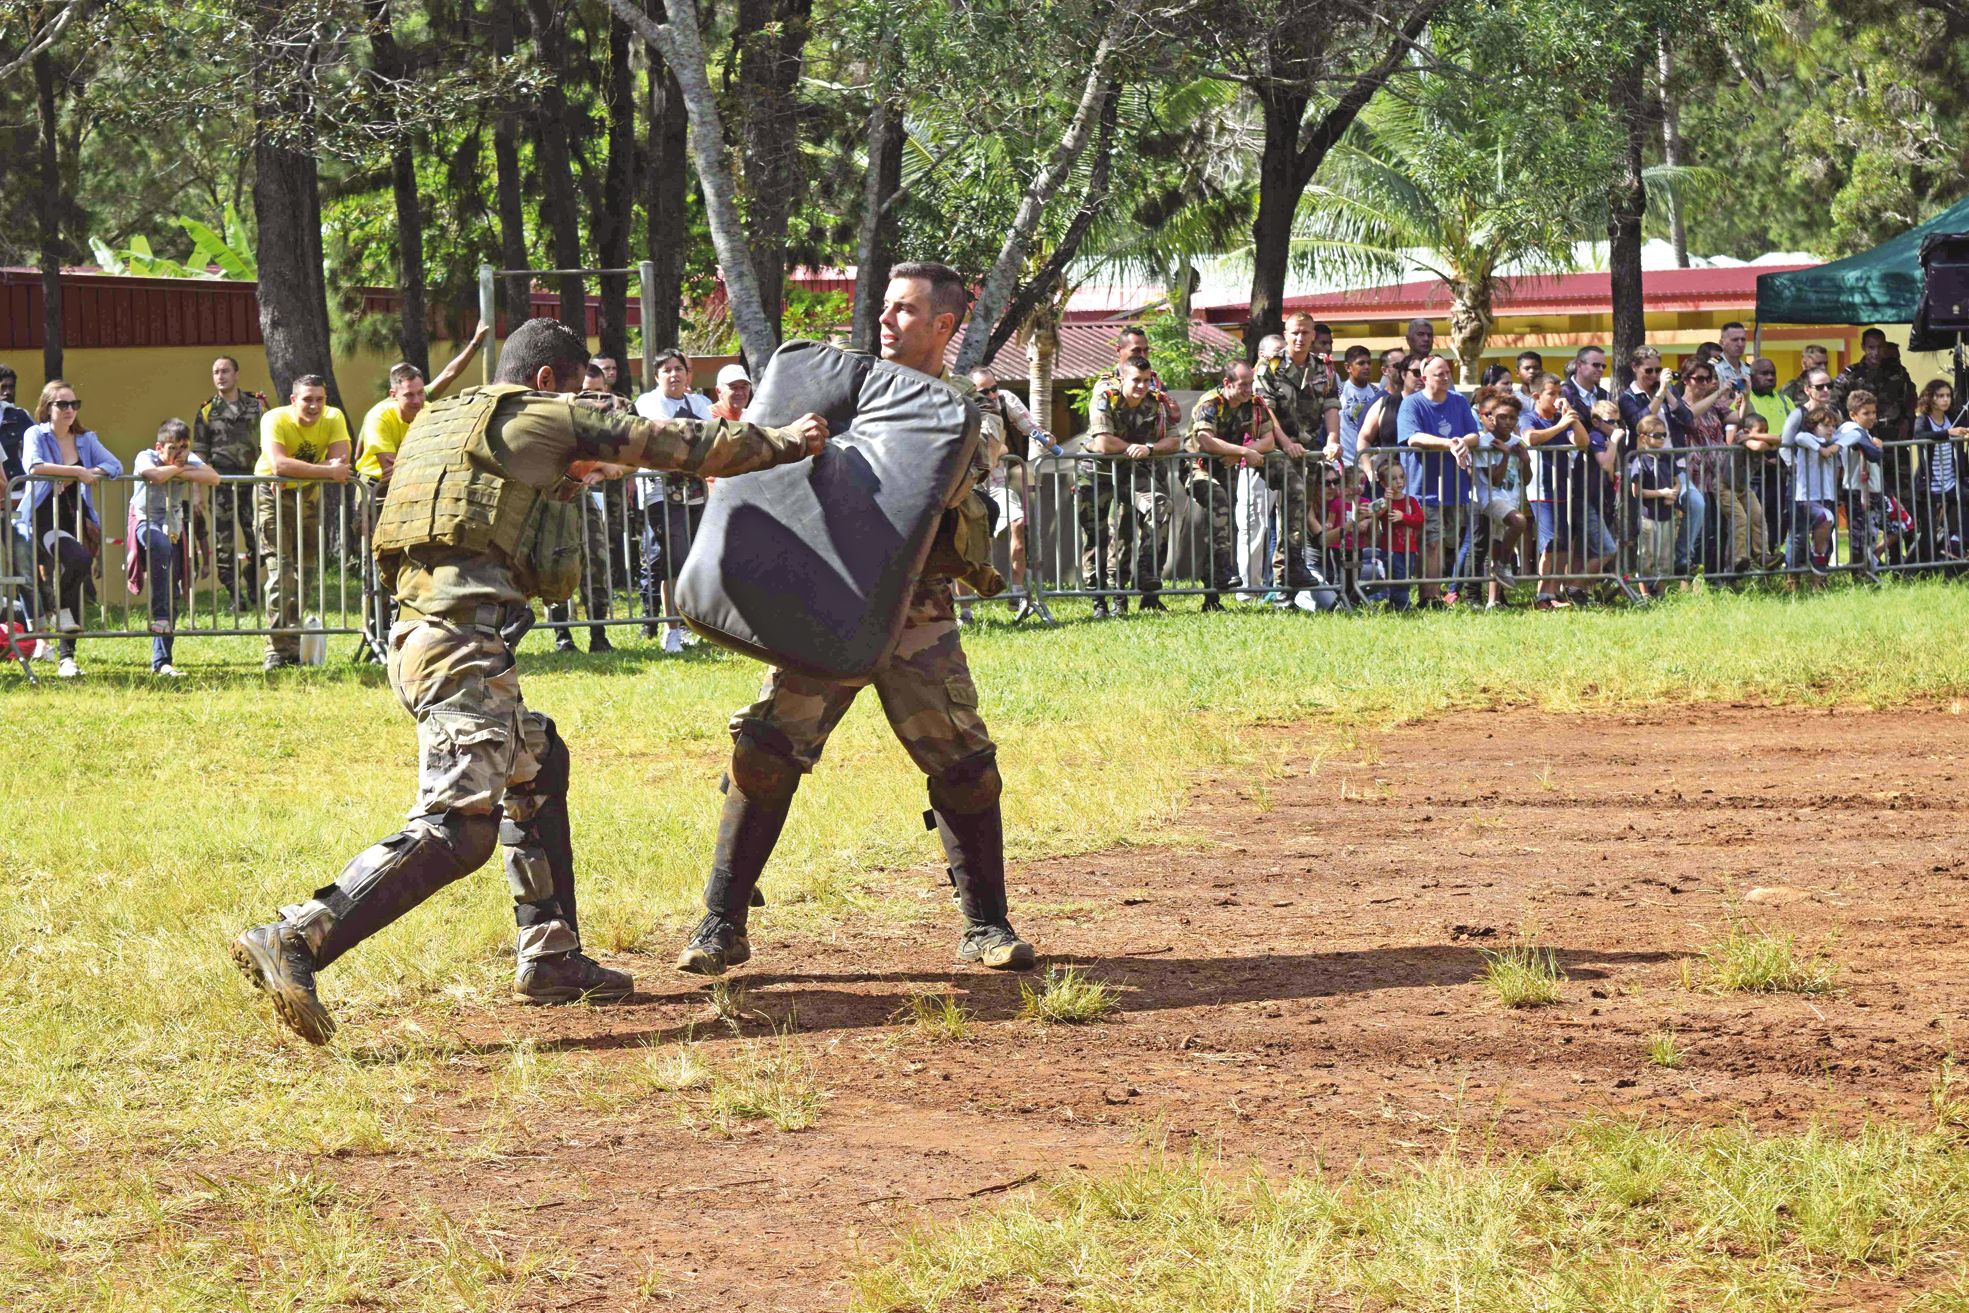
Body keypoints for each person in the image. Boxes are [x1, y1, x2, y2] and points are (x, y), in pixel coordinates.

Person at [230, 317, 828, 1043]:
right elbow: (682, 445)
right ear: (549, 382)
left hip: (429, 632)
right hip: (455, 642)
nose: (584, 418)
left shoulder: (452, 418)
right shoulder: (543, 412)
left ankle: (550, 956)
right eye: (581, 395)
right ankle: (296, 935)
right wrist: (790, 441)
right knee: (459, 826)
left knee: (538, 759)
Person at [673, 261, 1037, 978]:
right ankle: (721, 919)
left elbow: (963, 471)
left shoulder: (972, 408)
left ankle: (986, 925)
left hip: (916, 605)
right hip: (833, 587)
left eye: (905, 310)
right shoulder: (835, 391)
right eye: (886, 307)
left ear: (944, 325)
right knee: (767, 747)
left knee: (963, 763)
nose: (886, 319)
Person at [15, 380, 121, 677]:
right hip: (44, 517)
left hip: (77, 517)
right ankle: (59, 613)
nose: (70, 410)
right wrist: (75, 470)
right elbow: (33, 467)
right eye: (63, 404)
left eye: (74, 404)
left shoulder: (86, 439)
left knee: (75, 569)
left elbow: (113, 466)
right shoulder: (35, 433)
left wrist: (85, 474)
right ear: (47, 407)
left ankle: (67, 657)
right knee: (78, 560)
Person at [255, 375, 352, 670]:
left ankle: (294, 644)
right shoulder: (275, 418)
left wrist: (300, 473)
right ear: (293, 400)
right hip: (271, 494)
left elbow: (343, 466)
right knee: (281, 573)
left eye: (319, 399)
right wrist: (323, 469)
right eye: (307, 399)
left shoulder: (333, 417)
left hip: (307, 496)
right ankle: (276, 648)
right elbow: (279, 465)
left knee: (305, 575)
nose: (314, 406)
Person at [1081, 356, 1178, 615]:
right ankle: (1099, 600)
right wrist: (1132, 448)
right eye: (1136, 380)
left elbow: (1174, 442)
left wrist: (1148, 449)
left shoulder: (1155, 401)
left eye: (1146, 380)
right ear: (1122, 378)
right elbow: (1103, 443)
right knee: (1096, 536)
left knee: (1160, 504)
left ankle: (1146, 574)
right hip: (1096, 471)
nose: (1141, 386)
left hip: (1130, 470)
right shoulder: (1106, 396)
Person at [1254, 313, 1342, 599]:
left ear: (1313, 334)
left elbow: (1331, 406)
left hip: (1308, 452)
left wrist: (1332, 439)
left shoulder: (1323, 369)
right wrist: (1284, 443)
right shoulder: (1270, 367)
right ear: (1285, 333)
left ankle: (1286, 587)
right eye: (1294, 333)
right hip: (1275, 450)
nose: (1300, 338)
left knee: (1299, 510)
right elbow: (1265, 411)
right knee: (1294, 495)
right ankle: (1290, 568)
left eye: (1305, 332)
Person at [1187, 360, 1281, 611]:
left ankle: (1212, 595)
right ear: (1227, 384)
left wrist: (1243, 452)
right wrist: (1244, 452)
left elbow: (1269, 440)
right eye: (1243, 384)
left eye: (1251, 383)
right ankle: (1226, 571)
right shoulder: (1210, 403)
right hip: (1197, 468)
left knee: (1221, 523)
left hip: (1226, 469)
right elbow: (1206, 441)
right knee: (1220, 507)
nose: (1249, 389)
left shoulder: (1253, 404)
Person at [129, 418, 219, 676]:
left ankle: (162, 661)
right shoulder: (145, 455)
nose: (179, 454)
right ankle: (159, 614)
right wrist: (181, 470)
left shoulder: (186, 459)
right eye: (172, 448)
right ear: (159, 447)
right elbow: (154, 475)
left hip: (173, 526)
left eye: (184, 447)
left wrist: (177, 468)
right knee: (158, 544)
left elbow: (213, 477)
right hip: (145, 521)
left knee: (174, 590)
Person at [635, 348, 711, 652]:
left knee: (696, 559)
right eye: (666, 369)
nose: (674, 374)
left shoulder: (700, 403)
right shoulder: (647, 402)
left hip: (696, 490)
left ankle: (697, 625)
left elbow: (710, 437)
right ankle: (672, 630)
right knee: (674, 560)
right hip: (660, 492)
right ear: (657, 375)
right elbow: (661, 440)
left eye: (679, 368)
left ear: (687, 374)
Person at [970, 367, 1057, 620]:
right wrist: (998, 448)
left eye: (994, 387)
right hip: (968, 485)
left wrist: (1045, 438)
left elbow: (1030, 427)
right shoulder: (963, 406)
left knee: (1019, 523)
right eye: (985, 391)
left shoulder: (1006, 400)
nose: (992, 395)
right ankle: (964, 610)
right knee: (964, 544)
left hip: (995, 483)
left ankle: (1017, 595)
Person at [194, 356, 268, 610]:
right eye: (215, 372)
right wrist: (196, 492)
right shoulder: (206, 410)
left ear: (236, 374)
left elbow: (270, 441)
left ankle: (252, 578)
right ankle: (235, 595)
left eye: (225, 371)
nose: (220, 376)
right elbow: (199, 454)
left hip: (254, 482)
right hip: (221, 484)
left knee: (259, 538)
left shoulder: (257, 406)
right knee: (223, 545)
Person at [1520, 371, 1586, 610]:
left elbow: (1583, 442)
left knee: (1563, 544)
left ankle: (1554, 591)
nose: (1557, 398)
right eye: (1552, 394)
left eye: (1560, 393)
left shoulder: (1561, 418)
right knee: (1549, 544)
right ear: (1537, 396)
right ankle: (1542, 595)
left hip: (1563, 489)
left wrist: (1571, 418)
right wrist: (1560, 425)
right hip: (1541, 489)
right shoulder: (1529, 417)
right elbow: (1531, 438)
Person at [1472, 389, 1529, 605]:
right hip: (1491, 499)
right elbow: (1494, 480)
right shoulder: (1483, 442)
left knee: (1496, 547)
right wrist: (1505, 455)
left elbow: (1527, 479)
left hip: (1511, 498)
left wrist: (1526, 461)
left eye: (1512, 417)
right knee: (1519, 521)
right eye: (1502, 417)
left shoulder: (1517, 441)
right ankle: (1505, 563)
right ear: (1492, 418)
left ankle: (1493, 601)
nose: (1507, 421)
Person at [1624, 416, 1679, 595]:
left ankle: (1661, 593)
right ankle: (1644, 593)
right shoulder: (1640, 460)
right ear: (1643, 437)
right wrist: (1661, 493)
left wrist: (1674, 493)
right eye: (1657, 435)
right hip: (1648, 516)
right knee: (1646, 557)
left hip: (1666, 515)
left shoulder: (1667, 458)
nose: (1662, 438)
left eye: (1664, 435)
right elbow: (1637, 491)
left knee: (1665, 557)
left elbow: (1677, 481)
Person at [1787, 404, 1844, 575]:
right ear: (1813, 426)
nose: (1831, 429)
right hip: (1806, 497)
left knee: (1826, 535)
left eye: (1833, 426)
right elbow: (1799, 438)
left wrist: (1833, 447)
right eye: (1826, 426)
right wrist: (1822, 448)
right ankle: (1793, 575)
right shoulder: (1807, 439)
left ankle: (1818, 577)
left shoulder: (1834, 443)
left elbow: (1854, 435)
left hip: (1827, 495)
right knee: (1800, 538)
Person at [1914, 379, 1966, 559]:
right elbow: (1919, 435)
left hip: (1951, 482)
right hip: (1929, 485)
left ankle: (1954, 544)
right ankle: (1924, 566)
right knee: (1928, 532)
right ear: (1931, 398)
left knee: (1960, 515)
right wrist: (1948, 433)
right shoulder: (1923, 419)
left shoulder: (1953, 418)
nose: (1945, 400)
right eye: (1940, 396)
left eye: (1948, 396)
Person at [1364, 457, 1422, 609]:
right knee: (1398, 576)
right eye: (1393, 478)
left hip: (1410, 548)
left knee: (1406, 577)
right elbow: (1373, 513)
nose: (1399, 482)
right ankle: (1403, 605)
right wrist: (1385, 502)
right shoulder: (1382, 501)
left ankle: (1395, 604)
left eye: (1401, 477)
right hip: (1391, 549)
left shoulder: (1411, 501)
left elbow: (1420, 520)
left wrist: (1403, 517)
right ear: (1383, 484)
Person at [1838, 390, 1884, 574]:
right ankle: (1859, 574)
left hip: (1870, 488)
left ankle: (1866, 569)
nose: (1872, 417)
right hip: (1857, 489)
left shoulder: (1863, 431)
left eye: (1874, 412)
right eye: (1866, 413)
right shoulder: (1851, 429)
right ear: (1853, 414)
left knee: (1870, 533)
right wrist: (1877, 446)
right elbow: (1874, 455)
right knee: (1860, 534)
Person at [0, 364, 30, 486]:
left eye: (11, 387)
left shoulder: (20, 416)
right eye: (3, 387)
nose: (8, 392)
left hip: (15, 488)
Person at [1780, 345, 1830, 411]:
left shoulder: (1831, 386)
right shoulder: (1792, 389)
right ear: (1804, 363)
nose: (1823, 367)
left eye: (1825, 364)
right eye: (1818, 364)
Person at [1713, 322, 1752, 393]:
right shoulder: (1713, 367)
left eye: (1743, 339)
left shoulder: (1749, 369)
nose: (1740, 344)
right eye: (1735, 340)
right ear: (1722, 343)